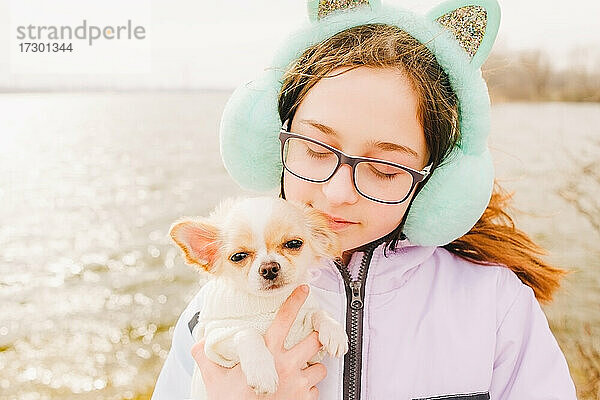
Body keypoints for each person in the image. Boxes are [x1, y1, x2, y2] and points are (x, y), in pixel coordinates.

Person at [152, 0, 578, 399]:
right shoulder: (213, 311)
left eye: (386, 170)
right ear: (272, 142)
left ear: (436, 184)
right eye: (316, 150)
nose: (337, 193)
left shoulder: (498, 308)